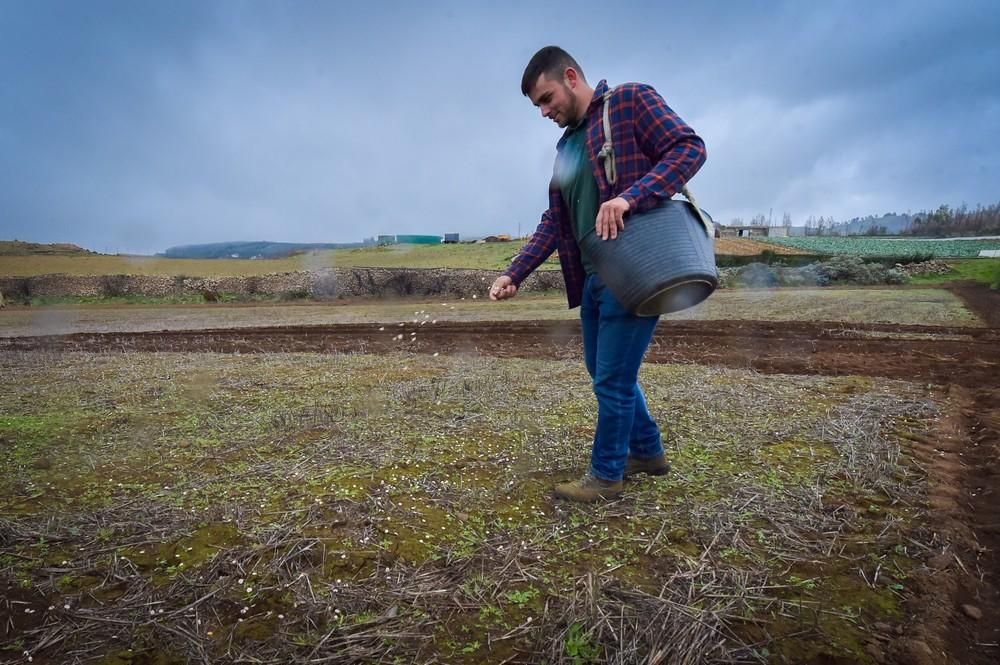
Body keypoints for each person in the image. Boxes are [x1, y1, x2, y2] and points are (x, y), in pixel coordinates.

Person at [489, 46, 706, 502]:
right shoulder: (566, 147)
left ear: (571, 77)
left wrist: (631, 197)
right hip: (590, 277)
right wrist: (516, 272)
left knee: (611, 379)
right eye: (537, 106)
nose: (544, 112)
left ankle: (607, 475)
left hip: (635, 270)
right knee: (603, 372)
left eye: (547, 99)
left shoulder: (629, 103)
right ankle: (647, 452)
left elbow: (689, 148)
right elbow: (556, 220)